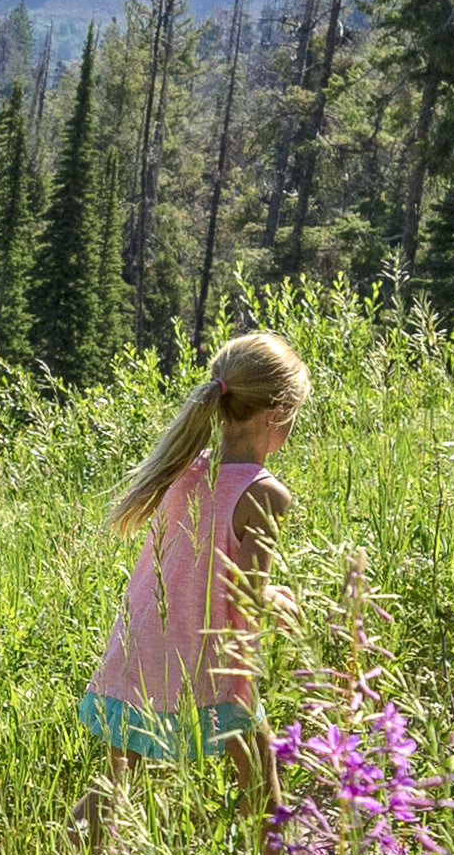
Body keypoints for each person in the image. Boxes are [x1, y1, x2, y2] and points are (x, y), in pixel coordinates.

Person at [84, 327, 308, 779]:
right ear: (276, 414)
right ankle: (271, 832)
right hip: (205, 667)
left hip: (139, 650)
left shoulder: (184, 467)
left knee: (115, 793)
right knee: (260, 781)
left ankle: (69, 839)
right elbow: (248, 596)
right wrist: (278, 599)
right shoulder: (265, 494)